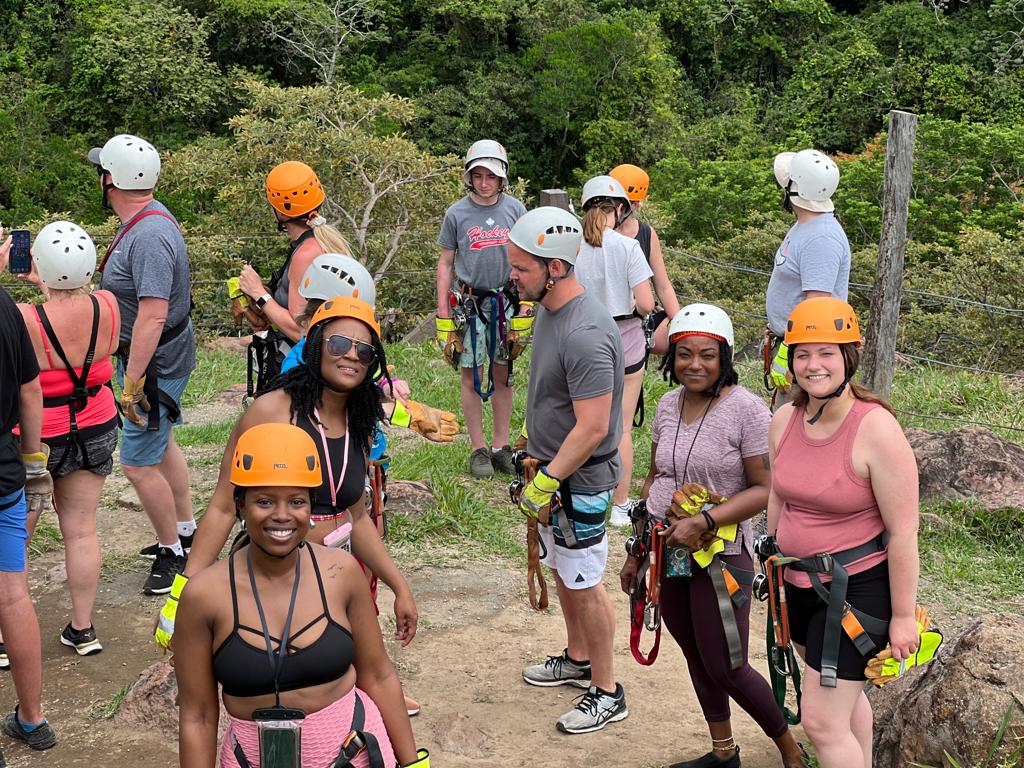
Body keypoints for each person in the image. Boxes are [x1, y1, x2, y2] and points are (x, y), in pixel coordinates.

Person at [173, 296, 418, 673]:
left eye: (364, 350)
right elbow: (224, 506)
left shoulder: (361, 420)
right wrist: (180, 596)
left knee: (367, 675)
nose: (351, 355)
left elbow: (356, 515)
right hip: (282, 577)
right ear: (316, 346)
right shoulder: (271, 411)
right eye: (339, 344)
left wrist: (399, 586)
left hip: (342, 575)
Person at [175, 422, 425, 768]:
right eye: (264, 501)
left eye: (296, 501)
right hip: (249, 757)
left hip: (352, 754)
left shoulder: (341, 573)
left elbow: (378, 675)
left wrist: (414, 764)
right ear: (240, 505)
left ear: (311, 507)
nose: (281, 516)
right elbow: (198, 715)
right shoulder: (204, 597)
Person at [619, 304, 805, 768]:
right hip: (668, 550)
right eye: (684, 355)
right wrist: (639, 550)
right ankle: (723, 754)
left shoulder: (746, 410)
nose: (694, 365)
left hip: (723, 556)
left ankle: (791, 753)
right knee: (697, 656)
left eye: (706, 355)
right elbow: (655, 477)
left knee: (727, 663)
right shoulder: (666, 405)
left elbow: (765, 489)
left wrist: (705, 521)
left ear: (724, 357)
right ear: (671, 358)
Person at [767, 297, 920, 768]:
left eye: (826, 353)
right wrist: (772, 557)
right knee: (847, 705)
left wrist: (901, 617)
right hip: (797, 586)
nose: (813, 366)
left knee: (821, 723)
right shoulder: (783, 420)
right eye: (802, 354)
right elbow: (779, 494)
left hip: (858, 593)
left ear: (849, 357)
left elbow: (903, 532)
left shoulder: (876, 430)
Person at [509, 206, 627, 734]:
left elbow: (594, 426)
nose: (512, 276)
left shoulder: (585, 331)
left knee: (585, 580)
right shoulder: (551, 312)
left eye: (521, 268)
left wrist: (547, 479)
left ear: (554, 268)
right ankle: (578, 659)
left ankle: (607, 690)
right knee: (562, 569)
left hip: (580, 478)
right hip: (558, 470)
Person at [89, 134, 197, 596]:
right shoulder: (146, 218)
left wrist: (132, 383)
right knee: (160, 439)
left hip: (153, 363)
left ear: (110, 179)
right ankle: (187, 529)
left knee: (135, 463)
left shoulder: (149, 235)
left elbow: (153, 313)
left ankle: (172, 551)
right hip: (153, 357)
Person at [6, 221, 119, 656]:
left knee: (17, 533)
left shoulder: (26, 317)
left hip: (38, 434)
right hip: (94, 422)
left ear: (39, 265)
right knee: (81, 529)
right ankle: (83, 628)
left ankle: (5, 634)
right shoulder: (107, 304)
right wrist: (53, 279)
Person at [435, 139, 527, 479]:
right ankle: (477, 447)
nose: (484, 182)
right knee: (471, 374)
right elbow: (445, 263)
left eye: (491, 176)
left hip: (507, 302)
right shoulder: (457, 213)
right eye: (478, 175)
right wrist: (443, 315)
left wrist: (527, 306)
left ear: (502, 178)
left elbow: (530, 257)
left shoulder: (516, 210)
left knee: (503, 373)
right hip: (470, 304)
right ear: (469, 177)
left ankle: (501, 446)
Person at [574, 175, 654, 527]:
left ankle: (580, 491)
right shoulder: (627, 247)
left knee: (583, 420)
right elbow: (647, 302)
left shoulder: (572, 246)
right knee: (620, 427)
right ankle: (620, 504)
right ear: (619, 209)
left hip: (584, 334)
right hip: (626, 337)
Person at [0, 275, 57, 756]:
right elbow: (30, 389)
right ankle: (32, 718)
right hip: (3, 471)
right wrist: (34, 460)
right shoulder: (4, 306)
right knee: (13, 597)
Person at [237, 161, 355, 392]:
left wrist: (259, 294)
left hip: (302, 372)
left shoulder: (306, 254)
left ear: (280, 211)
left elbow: (300, 331)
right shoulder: (319, 243)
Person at [764, 149, 850, 410]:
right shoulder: (806, 225)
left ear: (795, 189)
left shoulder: (821, 238)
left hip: (807, 351)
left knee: (797, 428)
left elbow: (816, 307)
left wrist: (788, 353)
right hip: (797, 345)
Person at [608, 163, 680, 355]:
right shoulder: (595, 234)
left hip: (639, 318)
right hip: (606, 319)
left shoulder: (646, 234)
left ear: (636, 204)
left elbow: (663, 286)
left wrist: (681, 325)